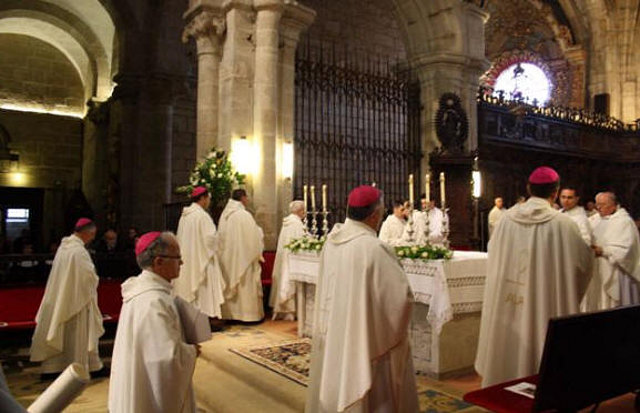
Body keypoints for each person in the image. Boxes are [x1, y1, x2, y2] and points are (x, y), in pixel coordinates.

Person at [475, 167, 593, 387]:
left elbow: (494, 255)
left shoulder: (506, 220)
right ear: (555, 192)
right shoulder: (563, 225)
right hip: (544, 303)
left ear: (528, 188)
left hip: (508, 302)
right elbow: (583, 265)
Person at [306, 185, 419, 413]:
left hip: (335, 335)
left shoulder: (331, 242)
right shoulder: (374, 248)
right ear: (375, 215)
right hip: (365, 345)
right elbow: (400, 301)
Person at [108, 232, 198, 413]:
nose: (182, 263)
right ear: (158, 262)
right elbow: (164, 360)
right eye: (177, 257)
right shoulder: (153, 300)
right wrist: (191, 351)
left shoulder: (141, 290)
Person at [30, 218, 105, 380]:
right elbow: (87, 277)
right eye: (92, 234)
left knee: (62, 334)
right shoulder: (78, 251)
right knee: (76, 337)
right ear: (86, 233)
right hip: (76, 302)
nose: (92, 238)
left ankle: (55, 368)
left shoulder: (64, 248)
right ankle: (78, 369)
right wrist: (95, 279)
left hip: (64, 298)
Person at [173, 187, 226, 319]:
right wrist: (220, 239)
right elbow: (210, 240)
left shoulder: (184, 217)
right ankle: (206, 317)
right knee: (203, 289)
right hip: (202, 260)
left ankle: (192, 317)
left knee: (191, 287)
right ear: (202, 198)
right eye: (208, 198)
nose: (208, 201)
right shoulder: (202, 216)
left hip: (188, 259)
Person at [583, 192, 640, 310]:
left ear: (614, 205)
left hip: (617, 270)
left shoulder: (624, 221)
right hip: (597, 269)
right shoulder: (593, 219)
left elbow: (626, 249)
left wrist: (603, 251)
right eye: (597, 204)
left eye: (603, 204)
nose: (598, 207)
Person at [218, 189, 265, 322]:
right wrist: (260, 233)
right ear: (243, 198)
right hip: (244, 257)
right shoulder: (244, 215)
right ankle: (248, 316)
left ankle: (230, 315)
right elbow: (254, 238)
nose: (247, 200)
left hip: (228, 258)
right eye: (246, 197)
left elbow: (220, 238)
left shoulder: (225, 215)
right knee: (244, 284)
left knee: (231, 282)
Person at [269, 200, 307, 320]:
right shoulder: (296, 224)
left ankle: (285, 310)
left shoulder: (287, 223)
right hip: (292, 259)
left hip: (285, 256)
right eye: (304, 210)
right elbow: (301, 241)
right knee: (290, 281)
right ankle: (290, 311)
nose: (304, 213)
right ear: (300, 211)